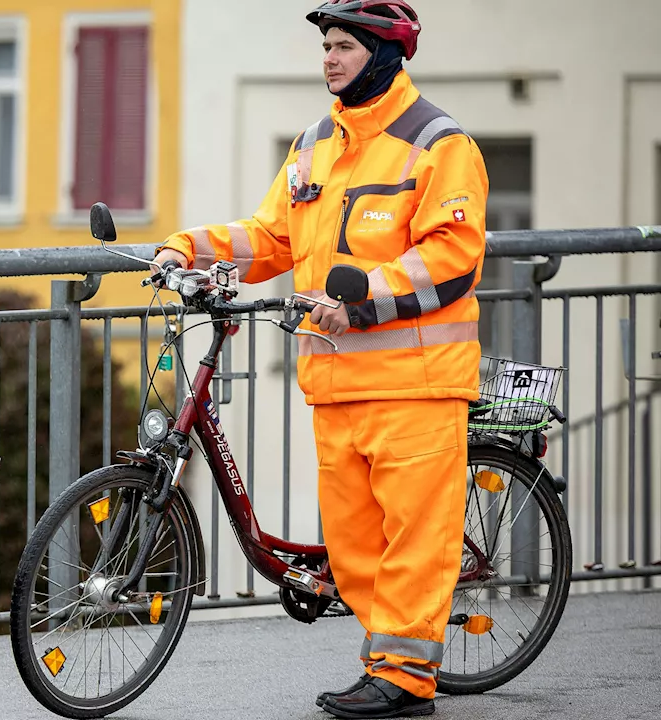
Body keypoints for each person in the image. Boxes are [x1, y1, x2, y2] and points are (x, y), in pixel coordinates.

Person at [154, 1, 488, 717]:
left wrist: (363, 295)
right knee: (354, 544)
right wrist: (188, 246)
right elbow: (271, 236)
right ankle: (388, 661)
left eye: (344, 46)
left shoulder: (439, 143)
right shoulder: (315, 143)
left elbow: (452, 255)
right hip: (335, 380)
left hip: (416, 382)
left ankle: (403, 679)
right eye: (326, 47)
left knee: (413, 536)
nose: (330, 59)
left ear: (387, 54)